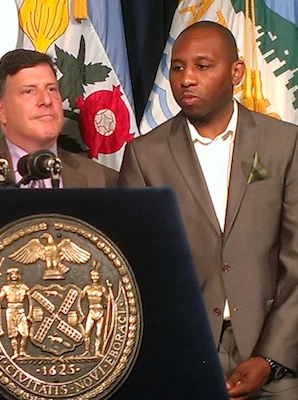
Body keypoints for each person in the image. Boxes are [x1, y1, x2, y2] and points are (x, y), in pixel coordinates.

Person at [119, 21, 298, 399]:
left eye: (202, 66)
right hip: (186, 356)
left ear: (236, 72)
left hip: (277, 358)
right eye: (178, 67)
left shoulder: (285, 144)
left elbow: (296, 259)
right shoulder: (145, 155)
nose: (186, 79)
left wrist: (270, 356)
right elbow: (138, 267)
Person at [0, 49, 118, 188]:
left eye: (51, 89)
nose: (46, 100)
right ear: (1, 110)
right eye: (29, 91)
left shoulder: (104, 180)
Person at [0, 267, 30, 359]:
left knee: (25, 333)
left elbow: (31, 300)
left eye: (15, 274)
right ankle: (15, 352)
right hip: (11, 311)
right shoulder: (6, 288)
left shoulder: (24, 287)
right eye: (12, 274)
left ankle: (22, 351)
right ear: (9, 276)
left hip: (21, 311)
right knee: (13, 333)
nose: (14, 276)